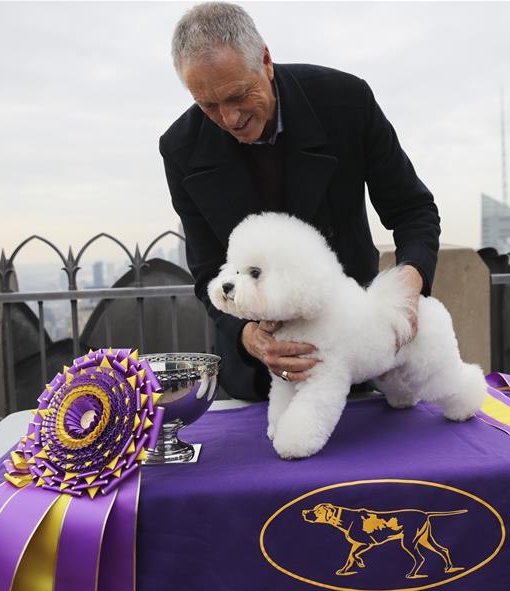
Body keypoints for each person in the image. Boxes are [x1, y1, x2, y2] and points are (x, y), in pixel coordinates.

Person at [159, 2, 440, 401]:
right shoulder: (180, 148)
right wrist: (248, 336)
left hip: (356, 348)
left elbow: (413, 210)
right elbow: (207, 272)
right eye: (208, 106)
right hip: (256, 376)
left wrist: (410, 284)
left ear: (266, 61)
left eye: (239, 95)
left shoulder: (346, 102)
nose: (230, 118)